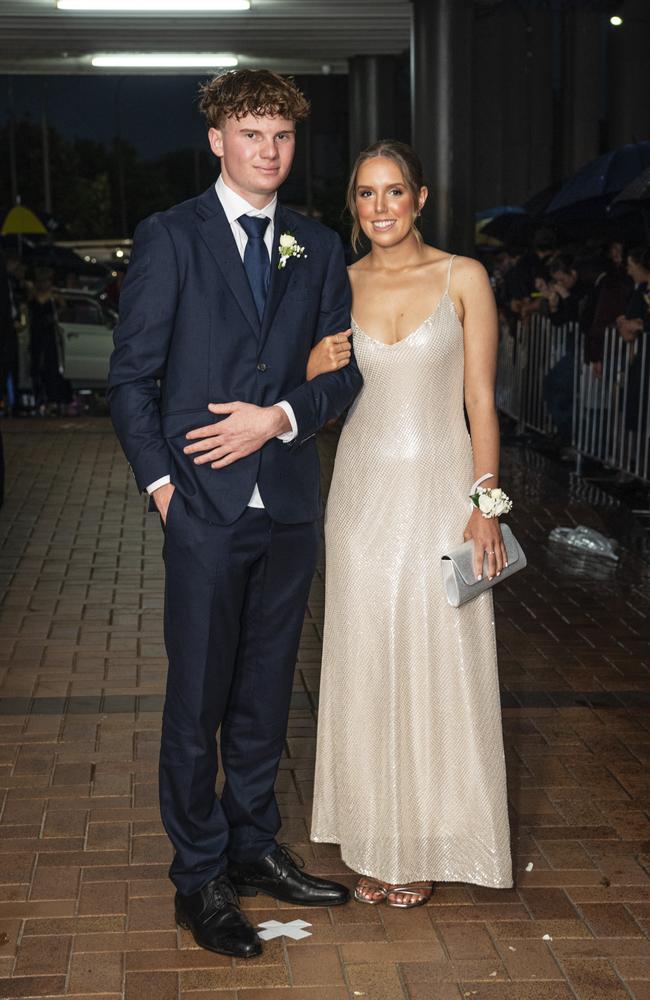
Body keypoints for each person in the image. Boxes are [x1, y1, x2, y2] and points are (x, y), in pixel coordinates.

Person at [107, 70, 362, 959]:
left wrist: (283, 417)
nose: (269, 150)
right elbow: (132, 380)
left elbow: (342, 372)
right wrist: (163, 489)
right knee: (198, 701)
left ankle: (255, 846)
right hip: (203, 512)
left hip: (288, 507)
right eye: (253, 133)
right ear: (217, 139)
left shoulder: (317, 246)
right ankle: (200, 877)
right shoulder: (170, 237)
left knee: (263, 697)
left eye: (283, 136)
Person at [310, 141, 512, 908]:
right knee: (367, 661)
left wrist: (485, 506)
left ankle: (429, 839)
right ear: (353, 206)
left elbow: (482, 404)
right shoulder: (337, 283)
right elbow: (315, 395)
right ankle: (374, 840)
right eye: (366, 194)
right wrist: (309, 367)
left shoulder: (464, 277)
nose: (381, 208)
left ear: (421, 198)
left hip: (441, 493)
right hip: (359, 498)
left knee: (440, 662)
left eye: (395, 192)